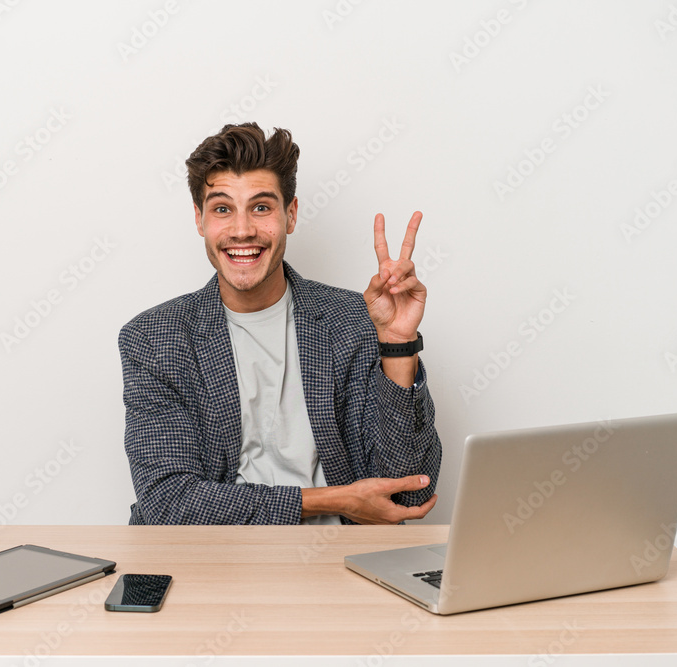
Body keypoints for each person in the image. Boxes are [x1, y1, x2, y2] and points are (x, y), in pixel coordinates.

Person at [119, 122, 441, 525]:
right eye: (222, 209)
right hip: (214, 555)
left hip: (335, 554)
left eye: (261, 207)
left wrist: (398, 345)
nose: (242, 231)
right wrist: (331, 500)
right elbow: (170, 503)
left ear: (290, 214)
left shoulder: (355, 320)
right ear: (200, 220)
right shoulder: (154, 339)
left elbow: (408, 493)